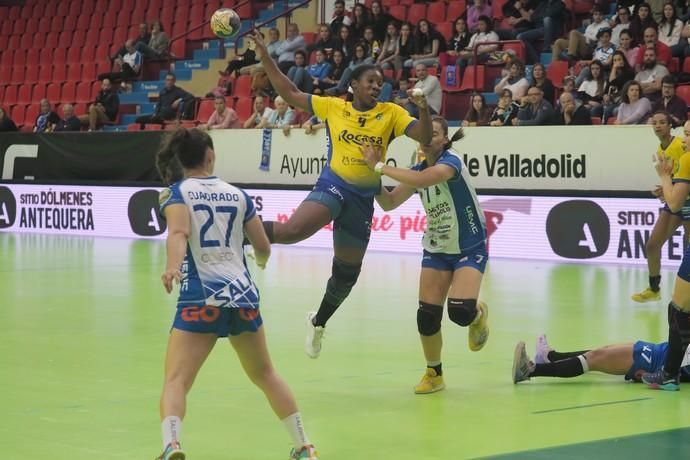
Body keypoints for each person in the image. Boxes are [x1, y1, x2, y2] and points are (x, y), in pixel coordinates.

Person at [248, 30, 432, 359]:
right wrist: (265, 56)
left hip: (363, 200)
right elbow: (290, 92)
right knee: (293, 231)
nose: (377, 86)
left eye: (380, 82)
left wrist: (423, 109)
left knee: (346, 275)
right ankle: (240, 233)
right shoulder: (333, 107)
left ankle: (318, 322)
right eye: (370, 81)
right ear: (354, 85)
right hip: (334, 185)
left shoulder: (391, 113)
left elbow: (426, 137)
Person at [155, 128, 318, 460]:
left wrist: (173, 267)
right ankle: (304, 446)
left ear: (180, 159)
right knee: (266, 374)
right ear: (210, 156)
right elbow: (262, 246)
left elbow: (179, 232)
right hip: (243, 297)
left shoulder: (176, 193)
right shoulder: (238, 195)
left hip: (200, 299)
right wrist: (258, 261)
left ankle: (172, 445)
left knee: (176, 380)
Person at [359, 118, 489, 394]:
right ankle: (434, 373)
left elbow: (421, 179)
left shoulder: (451, 163)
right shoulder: (417, 169)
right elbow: (390, 202)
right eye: (425, 136)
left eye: (435, 134)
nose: (428, 139)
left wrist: (380, 166)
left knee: (460, 312)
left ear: (445, 140)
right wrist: (370, 180)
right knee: (427, 317)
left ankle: (477, 314)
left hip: (468, 247)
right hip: (437, 249)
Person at [641, 120, 690, 390]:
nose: (684, 140)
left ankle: (670, 374)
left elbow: (674, 203)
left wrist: (663, 176)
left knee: (679, 311)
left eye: (689, 135)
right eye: (684, 134)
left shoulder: (688, 158)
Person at [632, 112, 689, 302]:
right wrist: (663, 189)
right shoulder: (659, 151)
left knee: (687, 251)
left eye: (662, 122)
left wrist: (670, 186)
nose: (658, 126)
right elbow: (676, 179)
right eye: (655, 123)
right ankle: (654, 288)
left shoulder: (682, 144)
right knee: (652, 245)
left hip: (686, 203)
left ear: (670, 125)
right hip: (676, 202)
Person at [512, 334, 690, 384]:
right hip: (658, 351)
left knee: (595, 358)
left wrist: (658, 375)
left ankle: (530, 370)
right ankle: (550, 357)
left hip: (653, 361)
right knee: (602, 351)